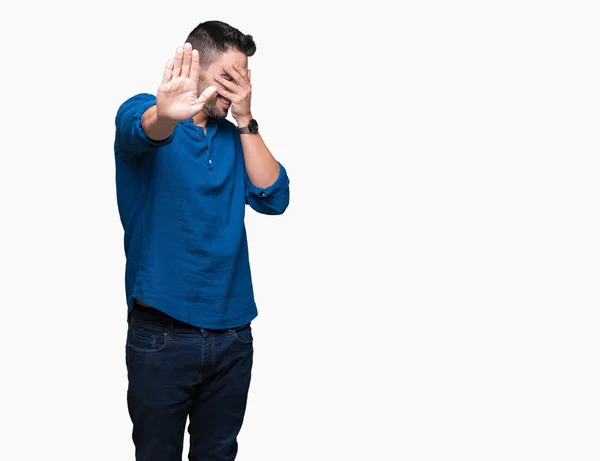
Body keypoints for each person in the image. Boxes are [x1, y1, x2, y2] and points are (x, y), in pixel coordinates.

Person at [113, 20, 290, 461]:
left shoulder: (235, 138)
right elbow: (144, 129)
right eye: (228, 79)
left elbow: (275, 197)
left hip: (233, 334)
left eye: (243, 80)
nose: (235, 92)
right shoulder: (145, 112)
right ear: (194, 69)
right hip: (162, 336)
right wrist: (164, 113)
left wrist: (246, 120)